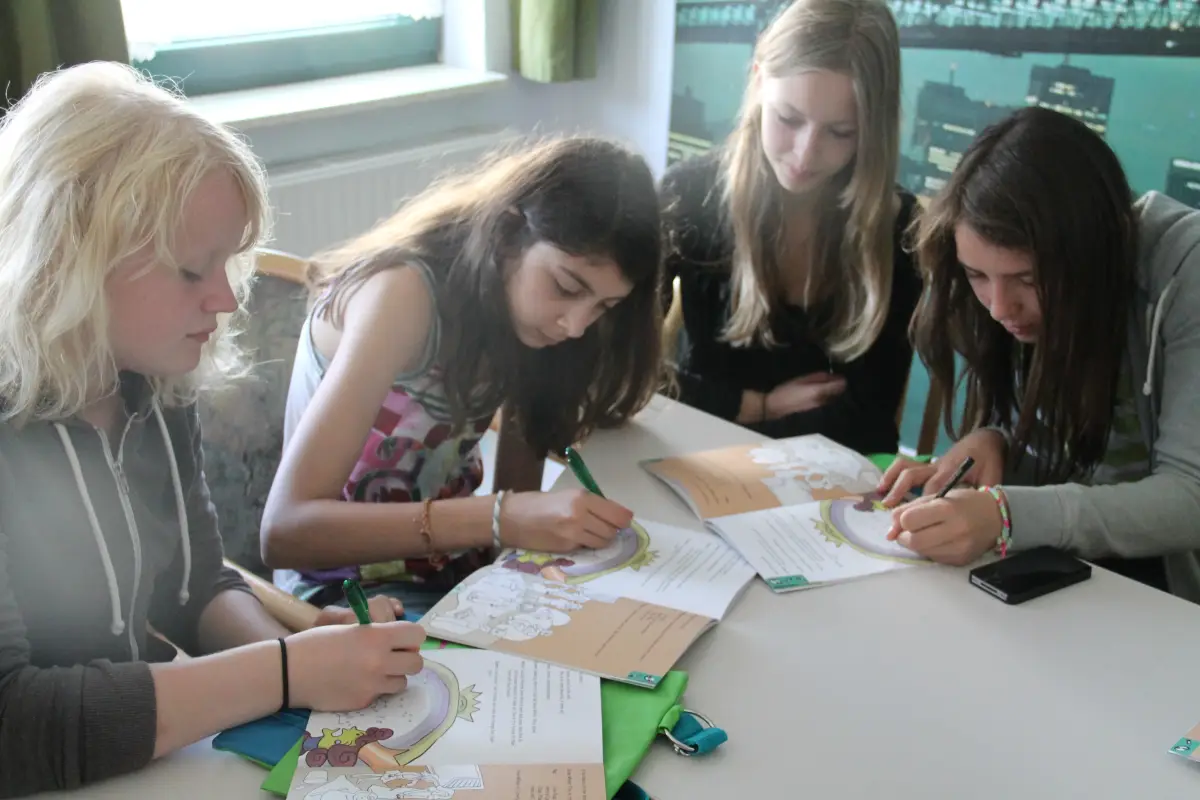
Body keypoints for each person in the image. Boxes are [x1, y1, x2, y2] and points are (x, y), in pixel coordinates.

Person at [0, 63, 426, 798]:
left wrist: (296, 655)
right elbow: (16, 723)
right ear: (67, 260)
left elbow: (194, 582)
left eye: (227, 263)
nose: (226, 298)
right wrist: (284, 670)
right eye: (193, 270)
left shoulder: (151, 381)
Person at [261, 136, 663, 616]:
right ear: (506, 233)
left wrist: (514, 528)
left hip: (452, 571)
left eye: (604, 306)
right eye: (565, 286)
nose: (576, 326)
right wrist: (500, 516)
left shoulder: (528, 318)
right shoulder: (401, 295)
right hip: (342, 590)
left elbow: (516, 505)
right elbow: (284, 531)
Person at [878, 106, 1200, 602]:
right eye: (977, 276)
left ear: (1091, 251)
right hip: (1066, 579)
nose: (999, 308)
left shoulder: (1186, 272)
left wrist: (1005, 515)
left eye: (1027, 279)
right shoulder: (999, 304)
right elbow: (1071, 470)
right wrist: (997, 443)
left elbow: (1189, 497)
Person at [659, 0, 920, 455]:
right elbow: (624, 371)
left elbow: (868, 420)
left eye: (840, 132)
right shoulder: (687, 195)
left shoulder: (898, 230)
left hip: (828, 478)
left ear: (872, 129)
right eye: (788, 119)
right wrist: (758, 406)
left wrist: (729, 415)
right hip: (697, 458)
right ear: (759, 79)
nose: (805, 154)